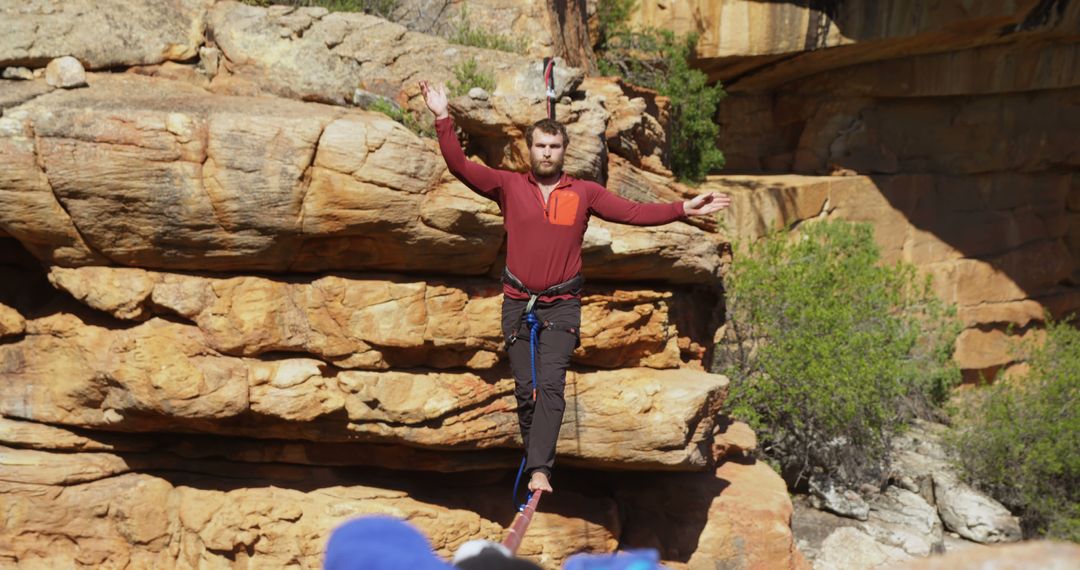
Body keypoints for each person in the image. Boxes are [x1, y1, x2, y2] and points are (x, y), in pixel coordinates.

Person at [420, 80, 730, 494]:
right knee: (527, 391)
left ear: (564, 151)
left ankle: (541, 470)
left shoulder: (583, 193)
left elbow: (634, 212)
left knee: (550, 385)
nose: (547, 153)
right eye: (540, 146)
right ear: (529, 150)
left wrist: (683, 207)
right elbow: (460, 166)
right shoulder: (508, 187)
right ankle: (536, 461)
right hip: (517, 304)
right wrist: (442, 117)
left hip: (562, 305)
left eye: (554, 147)